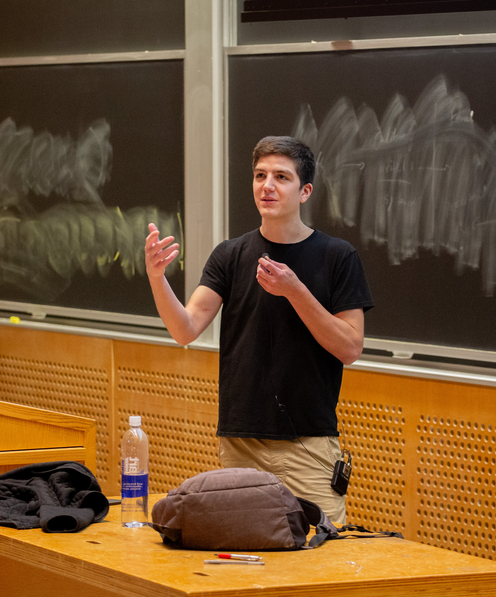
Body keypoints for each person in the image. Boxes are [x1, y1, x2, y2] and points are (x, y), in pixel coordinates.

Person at [144, 136, 374, 522]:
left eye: (281, 177)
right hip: (240, 443)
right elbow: (185, 329)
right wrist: (156, 278)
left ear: (305, 191)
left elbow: (350, 347)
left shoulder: (338, 257)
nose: (267, 185)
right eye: (259, 175)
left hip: (308, 446)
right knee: (246, 563)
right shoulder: (230, 254)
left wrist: (295, 291)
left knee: (319, 562)